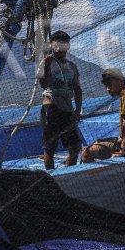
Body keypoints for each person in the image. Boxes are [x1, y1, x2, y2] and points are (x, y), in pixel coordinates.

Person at [38, 30, 83, 169]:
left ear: (68, 46)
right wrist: (45, 65)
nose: (60, 46)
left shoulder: (72, 66)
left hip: (67, 110)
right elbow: (43, 84)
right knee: (50, 148)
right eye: (57, 43)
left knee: (75, 148)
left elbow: (77, 90)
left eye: (64, 43)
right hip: (51, 107)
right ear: (52, 45)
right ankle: (51, 176)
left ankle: (69, 172)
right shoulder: (46, 62)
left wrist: (77, 110)